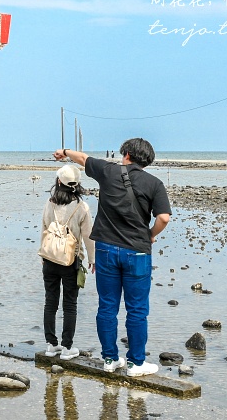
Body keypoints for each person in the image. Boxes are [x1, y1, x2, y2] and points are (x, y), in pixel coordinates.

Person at [53, 138, 171, 377]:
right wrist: (150, 235)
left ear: (126, 154)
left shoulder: (108, 171)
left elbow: (83, 159)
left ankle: (109, 359)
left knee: (107, 306)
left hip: (106, 249)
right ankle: (136, 364)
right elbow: (164, 218)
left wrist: (64, 152)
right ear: (147, 161)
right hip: (137, 251)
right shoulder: (155, 183)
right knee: (137, 309)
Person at [40, 164, 95, 360]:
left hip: (50, 258)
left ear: (58, 182)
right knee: (70, 304)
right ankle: (66, 347)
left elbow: (45, 229)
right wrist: (92, 259)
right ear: (77, 184)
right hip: (71, 261)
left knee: (50, 301)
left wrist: (43, 256)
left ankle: (50, 345)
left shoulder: (49, 203)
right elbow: (88, 236)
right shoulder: (81, 207)